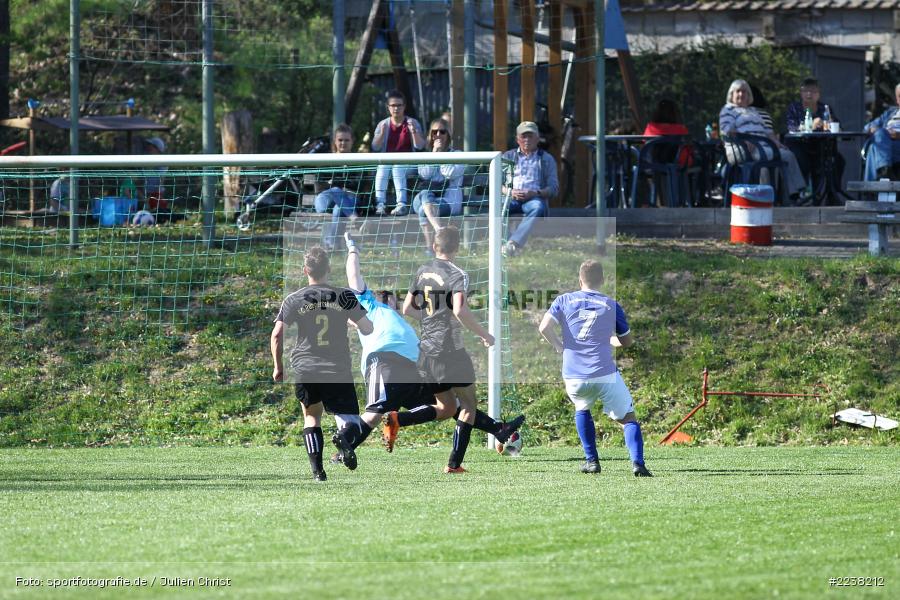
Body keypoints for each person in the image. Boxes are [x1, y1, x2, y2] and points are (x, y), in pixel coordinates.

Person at [330, 233, 523, 469]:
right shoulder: (369, 306)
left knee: (448, 406)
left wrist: (432, 315)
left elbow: (411, 308)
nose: (392, 300)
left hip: (416, 366)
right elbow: (354, 276)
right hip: (386, 362)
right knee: (375, 412)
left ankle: (498, 429)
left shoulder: (406, 317)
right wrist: (352, 248)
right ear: (380, 299)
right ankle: (345, 443)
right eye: (388, 296)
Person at [538, 260, 652, 477]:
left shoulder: (564, 299)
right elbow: (626, 342)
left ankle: (592, 462)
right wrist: (612, 340)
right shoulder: (611, 305)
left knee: (582, 407)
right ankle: (638, 464)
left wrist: (559, 346)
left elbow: (544, 327)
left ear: (580, 279)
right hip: (604, 372)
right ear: (602, 280)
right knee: (628, 418)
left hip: (574, 374)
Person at [270, 246, 373, 481]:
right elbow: (368, 328)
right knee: (353, 424)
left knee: (311, 417)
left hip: (306, 368)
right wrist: (352, 321)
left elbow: (276, 335)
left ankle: (318, 473)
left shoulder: (294, 299)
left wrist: (278, 367)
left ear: (305, 270)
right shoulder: (344, 295)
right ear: (329, 268)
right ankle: (343, 437)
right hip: (337, 368)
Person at [402, 226, 495, 473]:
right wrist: (484, 334)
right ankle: (454, 464)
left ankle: (398, 419)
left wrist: (428, 319)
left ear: (435, 246)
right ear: (456, 248)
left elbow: (407, 309)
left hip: (426, 351)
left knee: (447, 408)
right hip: (448, 351)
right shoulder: (458, 274)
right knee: (468, 405)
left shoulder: (422, 271)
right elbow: (459, 310)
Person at [719, 79, 806, 203]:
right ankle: (767, 199)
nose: (741, 95)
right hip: (744, 149)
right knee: (767, 163)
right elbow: (727, 131)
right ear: (731, 94)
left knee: (788, 154)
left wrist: (777, 143)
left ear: (749, 95)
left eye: (744, 92)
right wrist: (743, 141)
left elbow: (768, 131)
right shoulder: (728, 110)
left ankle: (795, 193)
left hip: (763, 147)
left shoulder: (753, 111)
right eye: (738, 91)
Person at [501, 121, 559, 257]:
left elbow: (554, 189)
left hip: (533, 198)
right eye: (523, 136)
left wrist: (535, 193)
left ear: (537, 139)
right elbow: (496, 183)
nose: (526, 140)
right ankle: (508, 244)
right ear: (517, 139)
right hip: (511, 197)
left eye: (530, 136)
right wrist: (509, 192)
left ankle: (512, 244)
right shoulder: (507, 157)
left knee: (538, 207)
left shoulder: (547, 159)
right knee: (497, 207)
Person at [411, 118, 465, 256]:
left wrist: (441, 156)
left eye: (443, 132)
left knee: (424, 210)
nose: (439, 135)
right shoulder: (426, 155)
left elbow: (451, 173)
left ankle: (430, 248)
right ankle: (438, 228)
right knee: (424, 193)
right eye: (435, 132)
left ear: (448, 135)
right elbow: (425, 174)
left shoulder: (458, 155)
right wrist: (434, 153)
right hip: (425, 198)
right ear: (430, 135)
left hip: (448, 201)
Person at [371, 89, 426, 216]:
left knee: (398, 167)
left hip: (409, 165)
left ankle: (401, 205)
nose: (396, 108)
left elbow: (420, 146)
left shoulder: (412, 123)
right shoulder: (383, 124)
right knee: (383, 166)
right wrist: (382, 134)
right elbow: (375, 147)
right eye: (393, 105)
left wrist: (413, 132)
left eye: (399, 105)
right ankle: (380, 205)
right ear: (388, 107)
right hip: (387, 164)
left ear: (404, 106)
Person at [784, 78, 846, 188]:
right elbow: (792, 128)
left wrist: (826, 124)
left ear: (819, 94)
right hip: (800, 145)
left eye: (813, 91)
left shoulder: (825, 108)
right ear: (801, 93)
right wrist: (811, 125)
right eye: (806, 91)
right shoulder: (794, 108)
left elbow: (837, 126)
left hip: (821, 146)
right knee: (803, 161)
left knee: (838, 161)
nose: (809, 94)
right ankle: (801, 195)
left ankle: (832, 193)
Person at [314, 123, 359, 251]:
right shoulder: (327, 160)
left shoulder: (360, 160)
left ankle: (332, 245)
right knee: (335, 191)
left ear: (352, 141)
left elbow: (359, 186)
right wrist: (339, 187)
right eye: (340, 140)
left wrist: (334, 183)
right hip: (324, 199)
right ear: (334, 141)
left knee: (338, 208)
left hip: (350, 199)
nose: (343, 143)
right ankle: (354, 218)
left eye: (346, 140)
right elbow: (319, 186)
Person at [863, 82, 900, 181]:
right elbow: (867, 127)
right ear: (897, 99)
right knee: (880, 135)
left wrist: (898, 135)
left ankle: (869, 190)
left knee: (873, 148)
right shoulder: (890, 113)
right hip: (885, 143)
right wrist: (872, 128)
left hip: (897, 144)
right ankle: (885, 170)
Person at [141, 137, 169, 213]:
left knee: (157, 214)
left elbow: (162, 178)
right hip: (146, 193)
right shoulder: (147, 159)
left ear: (157, 148)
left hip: (156, 194)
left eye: (151, 145)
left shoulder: (162, 161)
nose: (149, 147)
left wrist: (158, 195)